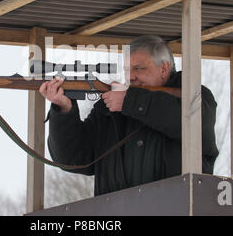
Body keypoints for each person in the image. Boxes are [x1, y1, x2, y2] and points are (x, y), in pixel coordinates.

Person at [39, 35, 219, 196]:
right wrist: (64, 110)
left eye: (138, 68)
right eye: (127, 70)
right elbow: (73, 158)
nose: (130, 76)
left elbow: (195, 125)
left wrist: (131, 102)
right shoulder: (110, 107)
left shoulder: (194, 96)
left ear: (164, 68)